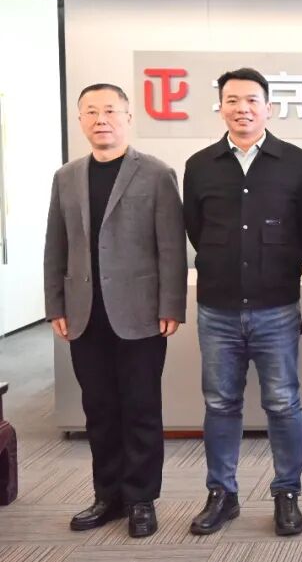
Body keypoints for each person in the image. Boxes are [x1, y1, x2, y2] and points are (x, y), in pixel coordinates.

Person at [44, 83, 187, 538]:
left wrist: (171, 304)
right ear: (80, 120)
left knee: (141, 407)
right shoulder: (66, 177)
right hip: (84, 312)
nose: (100, 119)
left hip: (140, 312)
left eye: (109, 110)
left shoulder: (157, 173)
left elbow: (171, 247)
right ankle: (107, 495)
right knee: (99, 408)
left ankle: (141, 498)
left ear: (128, 117)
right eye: (91, 111)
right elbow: (56, 246)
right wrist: (55, 303)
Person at [183, 67, 302, 537]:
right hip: (217, 308)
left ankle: (287, 494)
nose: (242, 108)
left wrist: (274, 266)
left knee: (283, 403)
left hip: (275, 307)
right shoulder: (200, 165)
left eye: (252, 100)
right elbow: (195, 229)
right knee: (220, 403)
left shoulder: (296, 163)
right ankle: (222, 494)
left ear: (268, 107)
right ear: (221, 106)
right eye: (233, 100)